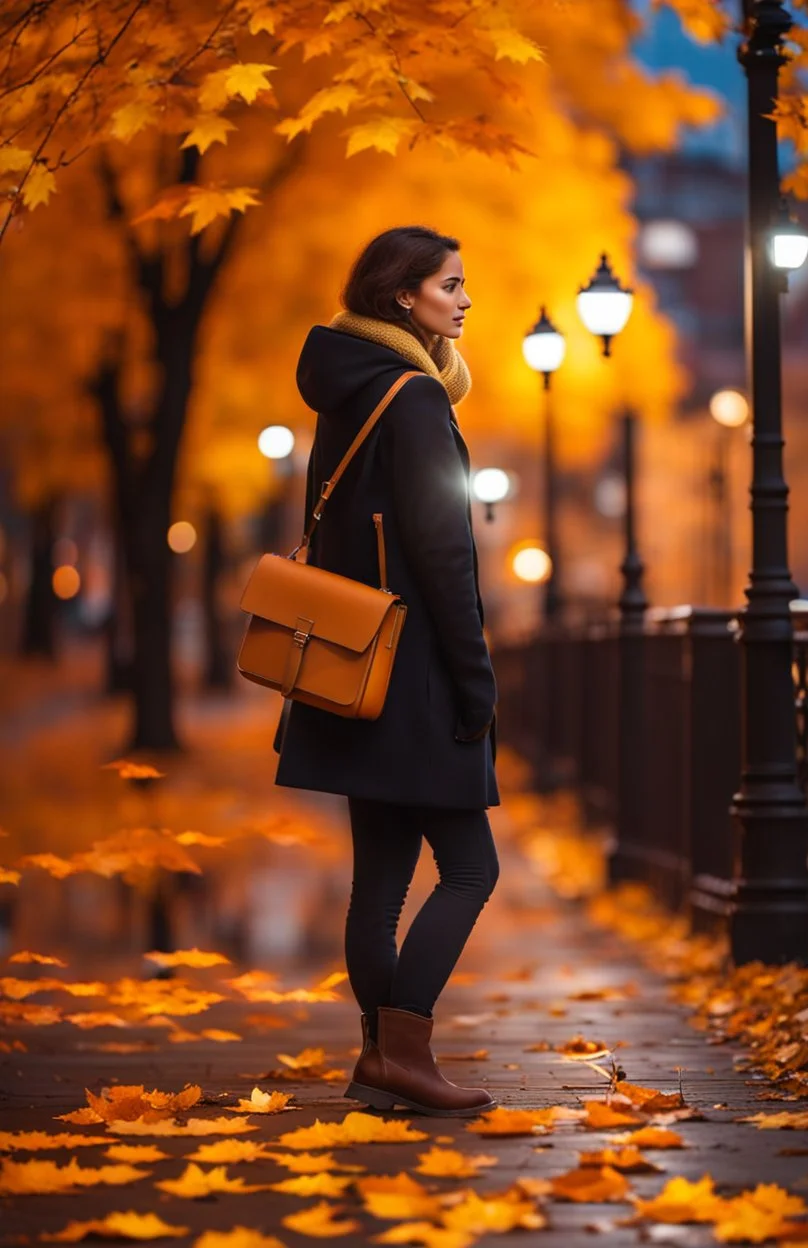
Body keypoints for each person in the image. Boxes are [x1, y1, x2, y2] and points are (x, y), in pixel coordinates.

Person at [272, 225, 500, 1117]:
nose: (466, 299)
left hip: (357, 670)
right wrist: (474, 679)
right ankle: (402, 1050)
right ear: (403, 296)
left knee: (379, 882)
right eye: (452, 283)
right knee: (471, 869)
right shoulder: (413, 400)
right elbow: (444, 553)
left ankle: (381, 1056)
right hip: (417, 678)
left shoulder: (351, 390)